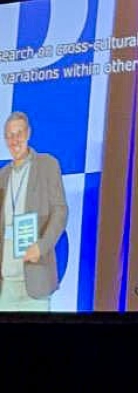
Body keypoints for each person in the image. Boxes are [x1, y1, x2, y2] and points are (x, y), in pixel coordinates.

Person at [0, 111, 68, 311]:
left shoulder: (47, 164)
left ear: (28, 133)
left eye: (19, 133)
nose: (15, 140)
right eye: (10, 135)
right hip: (6, 284)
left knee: (36, 342)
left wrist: (42, 246)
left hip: (36, 279)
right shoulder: (2, 176)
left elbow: (60, 211)